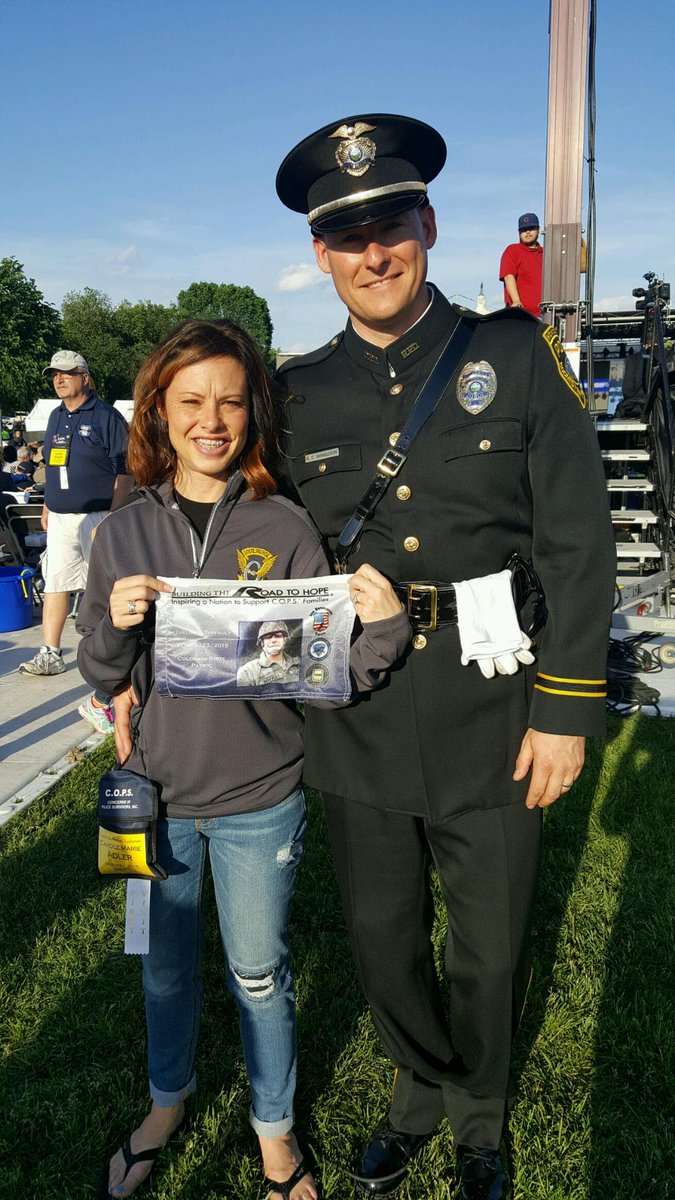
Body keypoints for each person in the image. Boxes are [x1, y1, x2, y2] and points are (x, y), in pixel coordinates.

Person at [274, 114, 616, 1198]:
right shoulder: (295, 394)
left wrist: (566, 707)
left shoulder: (511, 355)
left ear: (426, 224)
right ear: (321, 256)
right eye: (348, 235)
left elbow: (577, 534)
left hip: (495, 698)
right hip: (358, 710)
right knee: (380, 934)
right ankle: (416, 1092)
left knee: (489, 939)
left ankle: (479, 1119)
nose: (374, 253)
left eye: (390, 225)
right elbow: (253, 548)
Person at [77, 319, 409, 1200]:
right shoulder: (121, 533)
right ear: (159, 410)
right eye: (191, 400)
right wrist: (112, 621)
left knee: (259, 974)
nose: (211, 419)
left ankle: (273, 1132)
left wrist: (381, 631)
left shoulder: (284, 525)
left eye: (229, 400)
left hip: (261, 798)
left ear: (251, 412)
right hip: (153, 798)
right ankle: (166, 1103)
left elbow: (325, 674)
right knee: (164, 968)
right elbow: (101, 671)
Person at [18, 349, 131, 735]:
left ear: (85, 376)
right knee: (56, 582)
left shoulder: (106, 416)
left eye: (67, 373)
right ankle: (50, 652)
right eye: (55, 374)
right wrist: (48, 504)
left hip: (98, 514)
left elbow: (125, 470)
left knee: (104, 585)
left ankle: (107, 657)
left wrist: (114, 516)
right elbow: (52, 462)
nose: (59, 379)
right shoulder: (55, 415)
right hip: (62, 515)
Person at [499, 213, 544, 317]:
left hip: (547, 314)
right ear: (519, 232)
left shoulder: (546, 253)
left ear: (538, 229)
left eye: (531, 228)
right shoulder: (512, 250)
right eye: (524, 229)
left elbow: (581, 267)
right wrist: (516, 301)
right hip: (523, 315)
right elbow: (508, 276)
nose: (527, 232)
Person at [237, 620, 301, 686]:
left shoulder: (299, 664)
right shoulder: (248, 671)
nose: (273, 640)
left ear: (284, 640)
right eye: (268, 637)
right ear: (262, 642)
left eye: (278, 636)